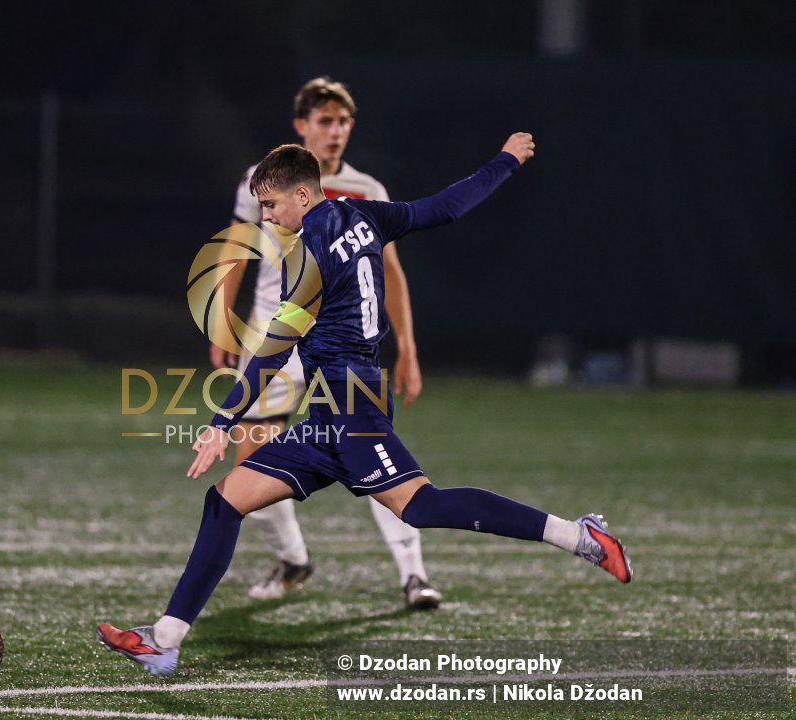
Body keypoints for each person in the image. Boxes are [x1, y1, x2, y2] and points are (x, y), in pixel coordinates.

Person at [99, 133, 633, 677]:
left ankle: (577, 536)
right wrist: (505, 162)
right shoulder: (365, 215)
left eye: (270, 204)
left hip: (354, 404)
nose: (265, 215)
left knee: (422, 506)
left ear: (304, 197)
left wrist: (220, 422)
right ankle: (165, 638)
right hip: (332, 409)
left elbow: (269, 354)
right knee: (226, 500)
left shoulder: (306, 258)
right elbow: (445, 208)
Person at [214, 77, 439, 609]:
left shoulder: (367, 190)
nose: (335, 131)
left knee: (372, 455)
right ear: (301, 126)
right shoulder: (262, 181)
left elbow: (392, 274)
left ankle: (414, 573)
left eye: (342, 121)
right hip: (277, 335)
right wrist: (222, 321)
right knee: (252, 453)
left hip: (341, 346)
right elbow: (233, 247)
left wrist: (406, 346)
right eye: (324, 121)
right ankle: (293, 559)